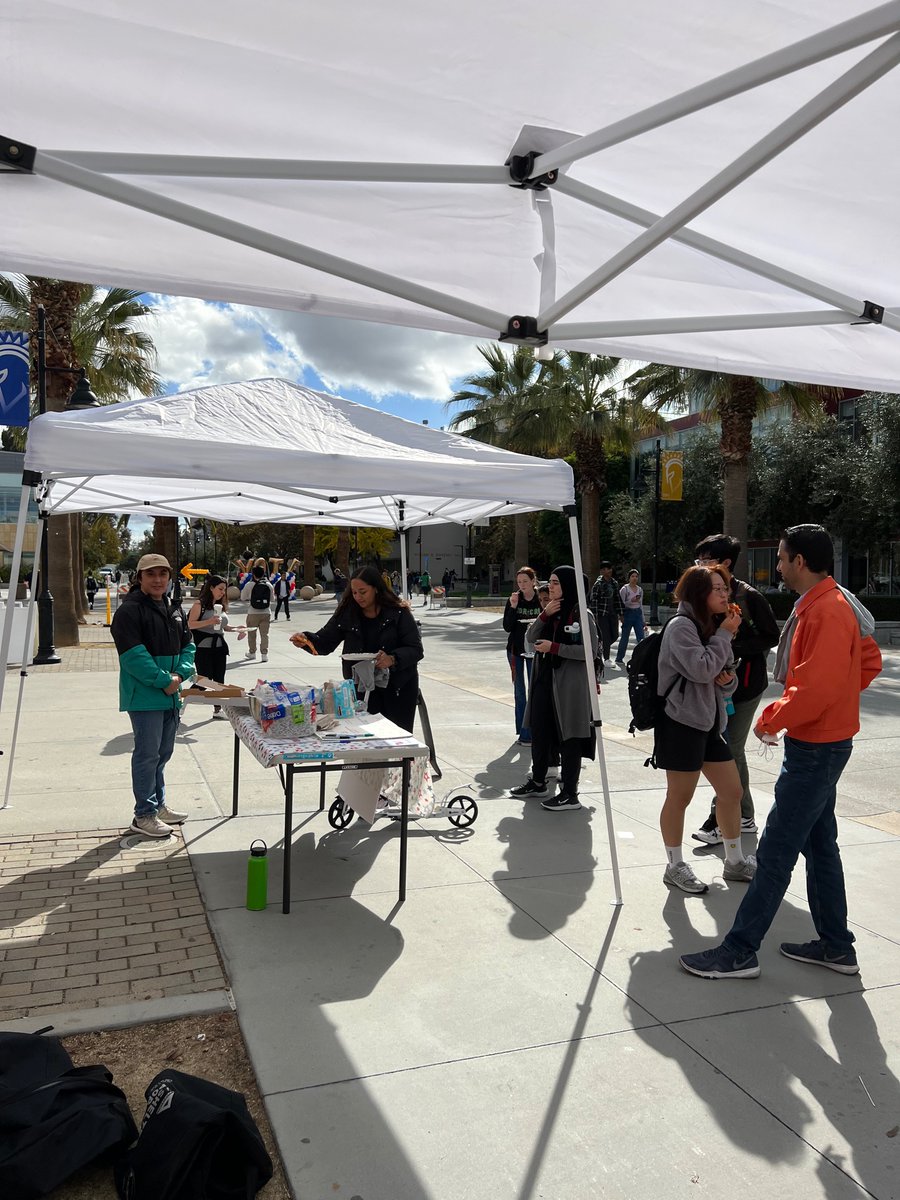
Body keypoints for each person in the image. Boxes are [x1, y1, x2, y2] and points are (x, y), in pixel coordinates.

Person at [680, 525, 883, 979]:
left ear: (800, 562)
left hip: (817, 747)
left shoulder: (826, 609)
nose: (777, 565)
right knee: (820, 846)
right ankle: (836, 946)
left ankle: (739, 952)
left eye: (781, 557)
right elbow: (866, 663)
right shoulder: (832, 602)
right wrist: (834, 701)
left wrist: (773, 718)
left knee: (775, 852)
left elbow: (818, 685)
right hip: (823, 741)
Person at [654, 564, 756, 894]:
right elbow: (700, 670)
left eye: (726, 589)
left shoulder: (710, 625)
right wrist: (725, 635)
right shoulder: (681, 627)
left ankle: (734, 860)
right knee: (680, 797)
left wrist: (727, 680)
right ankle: (674, 865)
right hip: (681, 723)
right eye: (718, 589)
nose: (726, 594)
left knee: (732, 792)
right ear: (700, 593)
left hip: (709, 723)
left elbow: (721, 677)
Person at [690, 534, 780, 846]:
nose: (701, 565)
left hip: (745, 686)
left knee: (728, 750)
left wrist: (732, 645)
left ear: (726, 563)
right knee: (725, 749)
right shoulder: (703, 593)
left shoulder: (748, 596)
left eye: (707, 560)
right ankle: (743, 816)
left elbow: (771, 635)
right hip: (714, 684)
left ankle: (727, 817)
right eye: (699, 560)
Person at [110, 554, 195, 838]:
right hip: (145, 697)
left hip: (171, 695)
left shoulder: (174, 607)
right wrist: (164, 680)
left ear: (170, 577)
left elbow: (188, 647)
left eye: (163, 573)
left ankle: (157, 806)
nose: (158, 579)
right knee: (147, 755)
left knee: (162, 754)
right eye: (151, 574)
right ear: (140, 577)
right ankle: (144, 815)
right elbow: (133, 657)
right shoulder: (129, 611)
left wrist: (179, 676)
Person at [291, 564, 423, 731]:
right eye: (354, 592)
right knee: (363, 737)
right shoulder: (347, 612)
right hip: (360, 688)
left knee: (396, 739)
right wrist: (305, 640)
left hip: (397, 689)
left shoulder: (398, 612)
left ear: (376, 589)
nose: (358, 597)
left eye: (363, 592)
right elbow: (325, 642)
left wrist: (392, 659)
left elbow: (415, 649)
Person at [510, 566, 599, 813]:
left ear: (569, 585)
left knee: (569, 737)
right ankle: (538, 781)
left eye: (556, 583)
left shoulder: (581, 613)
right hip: (545, 680)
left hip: (569, 687)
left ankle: (570, 793)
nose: (550, 587)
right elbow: (530, 638)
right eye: (549, 582)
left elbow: (590, 651)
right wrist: (544, 615)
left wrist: (555, 648)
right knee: (540, 730)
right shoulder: (552, 610)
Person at [188, 575, 245, 718]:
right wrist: (209, 622)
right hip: (203, 648)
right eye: (220, 589)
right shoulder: (199, 604)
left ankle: (218, 709)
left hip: (220, 648)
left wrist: (237, 629)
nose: (222, 592)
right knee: (204, 681)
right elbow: (190, 624)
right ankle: (182, 702)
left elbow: (222, 626)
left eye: (224, 590)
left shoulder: (220, 606)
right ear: (211, 588)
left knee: (219, 680)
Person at [502, 566, 543, 746]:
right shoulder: (514, 599)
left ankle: (535, 731)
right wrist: (512, 606)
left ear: (533, 581)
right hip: (515, 650)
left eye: (525, 581)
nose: (522, 585)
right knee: (520, 692)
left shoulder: (540, 598)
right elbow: (507, 627)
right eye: (519, 582)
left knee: (534, 690)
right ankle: (524, 733)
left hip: (536, 650)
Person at [589, 561, 623, 673]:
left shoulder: (614, 583)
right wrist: (595, 616)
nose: (606, 571)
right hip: (602, 614)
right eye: (603, 569)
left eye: (608, 569)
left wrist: (621, 613)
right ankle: (606, 658)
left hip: (613, 613)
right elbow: (593, 601)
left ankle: (601, 647)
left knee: (615, 635)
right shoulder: (598, 584)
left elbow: (618, 599)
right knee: (606, 636)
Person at [242, 564, 273, 662]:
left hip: (253, 612)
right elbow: (272, 598)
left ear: (253, 574)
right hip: (266, 612)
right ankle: (264, 654)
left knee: (252, 634)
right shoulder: (268, 585)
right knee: (264, 634)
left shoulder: (249, 585)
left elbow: (243, 597)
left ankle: (252, 653)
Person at [615, 569, 645, 664]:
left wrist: (643, 620)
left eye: (636, 576)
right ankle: (619, 658)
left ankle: (642, 658)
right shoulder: (625, 589)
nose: (634, 578)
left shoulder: (640, 590)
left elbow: (641, 605)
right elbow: (621, 604)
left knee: (641, 637)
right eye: (632, 576)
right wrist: (631, 601)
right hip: (628, 613)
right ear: (629, 578)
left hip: (637, 614)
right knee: (625, 637)